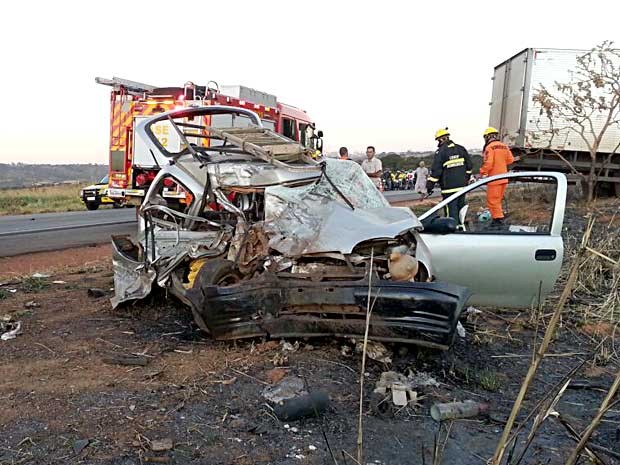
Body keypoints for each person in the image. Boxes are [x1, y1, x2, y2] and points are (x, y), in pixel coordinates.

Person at [426, 128, 473, 222]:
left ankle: (453, 231)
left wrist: (429, 186)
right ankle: (460, 227)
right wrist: (465, 179)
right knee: (460, 209)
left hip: (448, 188)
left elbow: (436, 171)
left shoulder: (441, 152)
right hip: (462, 187)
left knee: (451, 211)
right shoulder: (461, 149)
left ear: (440, 139)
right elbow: (469, 166)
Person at [479, 127, 515, 227]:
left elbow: (489, 163)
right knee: (497, 200)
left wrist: (482, 171)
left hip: (494, 179)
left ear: (487, 137)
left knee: (492, 201)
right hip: (504, 178)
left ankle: (498, 220)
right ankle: (498, 218)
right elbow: (510, 160)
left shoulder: (489, 147)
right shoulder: (504, 146)